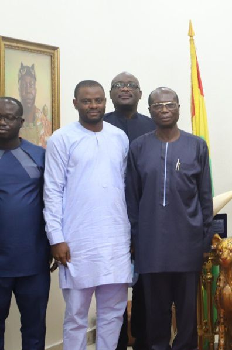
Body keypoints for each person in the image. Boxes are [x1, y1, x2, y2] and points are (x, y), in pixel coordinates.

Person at [44, 80, 131, 350]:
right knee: (76, 316)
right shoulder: (61, 139)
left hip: (116, 241)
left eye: (98, 100)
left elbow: (124, 186)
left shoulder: (119, 137)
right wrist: (56, 238)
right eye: (87, 101)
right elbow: (52, 191)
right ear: (75, 104)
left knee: (113, 314)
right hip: (77, 242)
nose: (94, 106)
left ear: (106, 102)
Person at [126, 87, 213, 350]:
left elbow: (205, 197)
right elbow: (132, 198)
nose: (164, 109)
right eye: (157, 105)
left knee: (188, 313)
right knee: (155, 312)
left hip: (187, 243)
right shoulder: (139, 147)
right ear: (149, 110)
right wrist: (134, 239)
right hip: (151, 246)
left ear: (178, 107)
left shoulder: (196, 145)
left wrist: (205, 241)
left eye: (169, 104)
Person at [104, 72, 155, 350]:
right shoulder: (99, 126)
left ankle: (144, 341)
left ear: (140, 93)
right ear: (111, 95)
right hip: (109, 218)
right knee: (113, 287)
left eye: (131, 86)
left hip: (146, 219)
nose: (125, 89)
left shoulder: (152, 127)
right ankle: (118, 342)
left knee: (145, 286)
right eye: (118, 86)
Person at [0, 97, 50, 350]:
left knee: (34, 328)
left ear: (21, 121)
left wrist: (55, 244)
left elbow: (53, 203)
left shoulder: (39, 155)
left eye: (9, 117)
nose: (2, 122)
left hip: (33, 260)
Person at [17, 63, 52, 148]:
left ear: (35, 90)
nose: (28, 90)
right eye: (24, 86)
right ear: (19, 90)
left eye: (31, 85)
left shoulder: (46, 124)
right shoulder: (12, 123)